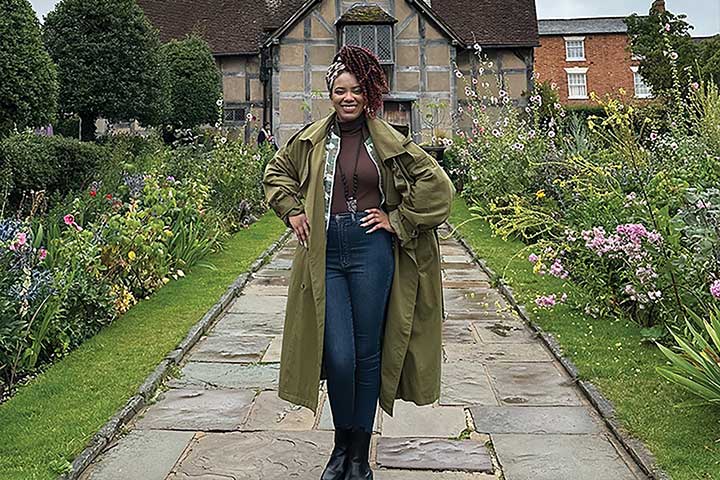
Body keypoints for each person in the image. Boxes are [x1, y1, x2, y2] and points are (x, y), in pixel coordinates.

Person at [262, 45, 455, 480]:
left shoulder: (387, 139)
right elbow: (275, 172)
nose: (347, 98)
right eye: (338, 91)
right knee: (341, 356)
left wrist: (398, 219)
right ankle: (339, 445)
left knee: (368, 355)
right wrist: (292, 209)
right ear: (329, 95)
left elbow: (438, 188)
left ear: (367, 94)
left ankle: (356, 456)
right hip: (326, 253)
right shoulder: (311, 139)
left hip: (371, 251)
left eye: (354, 91)